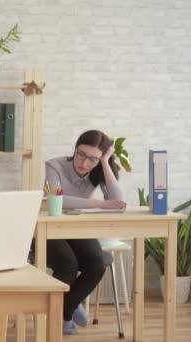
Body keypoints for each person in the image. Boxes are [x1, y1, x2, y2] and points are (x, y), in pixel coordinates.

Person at [43, 129, 127, 335]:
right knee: (68, 263)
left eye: (92, 159)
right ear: (75, 149)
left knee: (97, 263)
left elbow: (118, 202)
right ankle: (64, 314)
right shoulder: (55, 165)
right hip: (48, 230)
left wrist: (106, 162)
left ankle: (66, 308)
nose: (84, 163)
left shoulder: (98, 169)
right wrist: (99, 203)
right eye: (81, 154)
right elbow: (57, 198)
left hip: (76, 230)